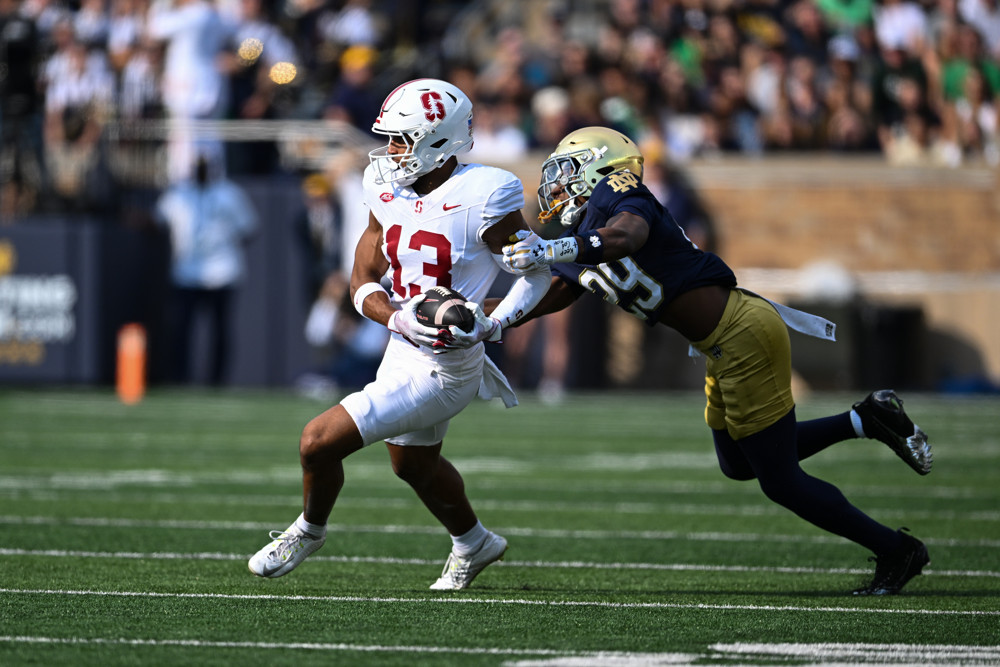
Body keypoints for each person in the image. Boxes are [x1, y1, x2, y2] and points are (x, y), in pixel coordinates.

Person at [500, 126, 934, 596]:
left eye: (565, 171)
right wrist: (489, 320)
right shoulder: (581, 229)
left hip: (742, 333)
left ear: (598, 165)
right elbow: (560, 289)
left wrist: (556, 247)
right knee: (738, 464)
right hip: (721, 342)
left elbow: (628, 235)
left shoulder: (618, 191)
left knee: (781, 481)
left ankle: (897, 551)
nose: (556, 184)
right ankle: (867, 419)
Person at [248, 79, 551, 590]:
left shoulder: (485, 193)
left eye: (401, 140)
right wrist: (396, 318)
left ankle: (309, 529)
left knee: (317, 442)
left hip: (447, 365)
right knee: (413, 465)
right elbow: (363, 280)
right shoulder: (382, 184)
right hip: (403, 345)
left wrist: (494, 324)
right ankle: (475, 543)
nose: (390, 151)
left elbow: (536, 271)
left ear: (440, 141)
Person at [154, 153, 257, 385]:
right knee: (181, 329)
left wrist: (222, 243)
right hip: (186, 273)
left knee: (220, 331)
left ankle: (217, 380)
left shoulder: (229, 193)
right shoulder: (179, 195)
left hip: (223, 272)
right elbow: (157, 221)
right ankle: (180, 378)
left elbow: (249, 229)